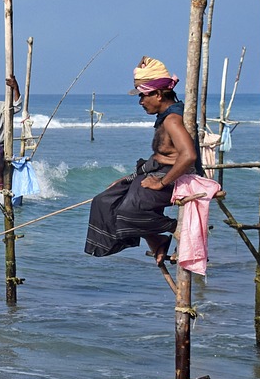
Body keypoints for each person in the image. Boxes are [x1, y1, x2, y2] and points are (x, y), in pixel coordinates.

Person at [85, 56, 198, 265]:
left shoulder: (173, 119)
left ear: (157, 94)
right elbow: (162, 154)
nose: (140, 102)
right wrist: (129, 178)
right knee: (103, 202)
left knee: (128, 211)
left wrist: (161, 182)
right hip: (154, 170)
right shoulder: (164, 116)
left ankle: (175, 228)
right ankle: (158, 240)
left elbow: (189, 155)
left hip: (175, 177)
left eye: (143, 96)